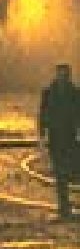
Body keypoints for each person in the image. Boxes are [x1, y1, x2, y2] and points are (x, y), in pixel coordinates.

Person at [39, 63, 80, 221]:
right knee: (60, 175)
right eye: (60, 74)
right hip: (56, 139)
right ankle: (64, 209)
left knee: (72, 173)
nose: (62, 77)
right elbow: (43, 114)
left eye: (64, 75)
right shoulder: (48, 93)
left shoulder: (75, 93)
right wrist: (42, 134)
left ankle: (67, 208)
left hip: (71, 139)